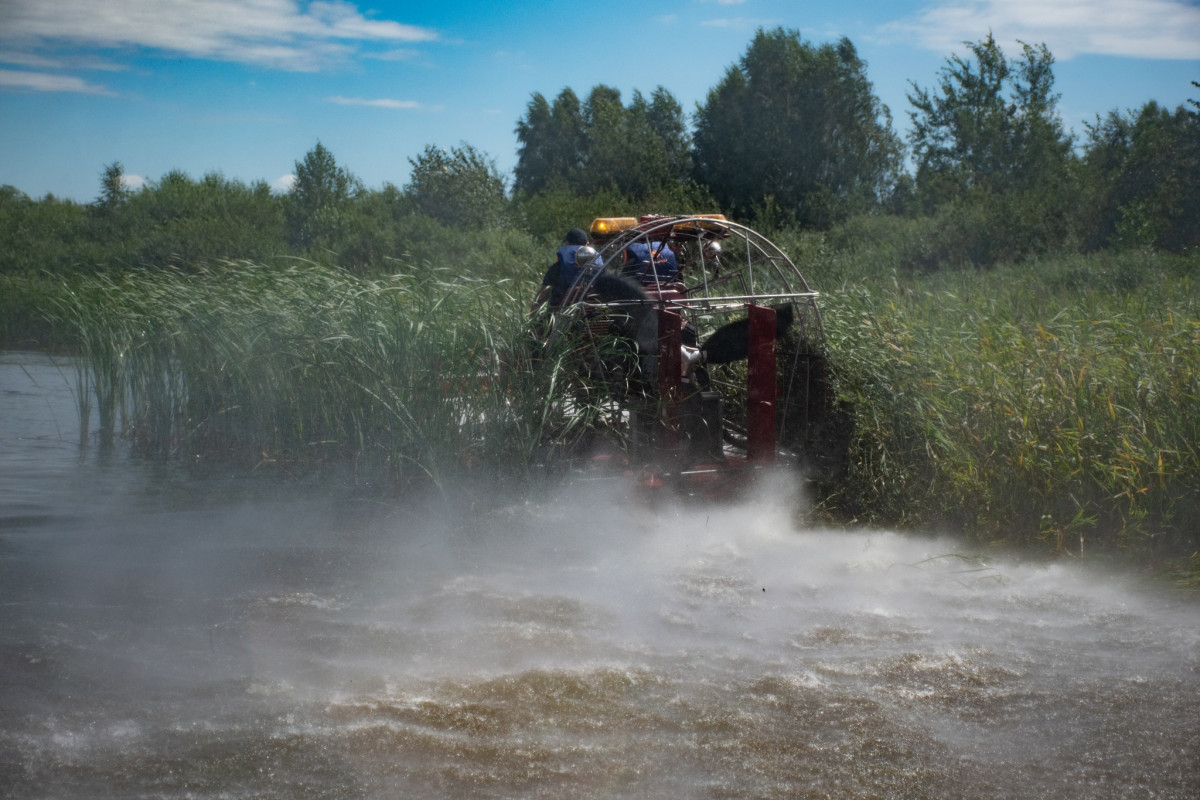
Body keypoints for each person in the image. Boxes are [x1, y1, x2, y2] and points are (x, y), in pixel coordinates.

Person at [531, 228, 601, 311]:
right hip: (592, 314)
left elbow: (541, 297)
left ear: (567, 243)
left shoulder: (558, 267)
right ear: (587, 245)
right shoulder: (599, 268)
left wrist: (533, 319)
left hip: (561, 315)